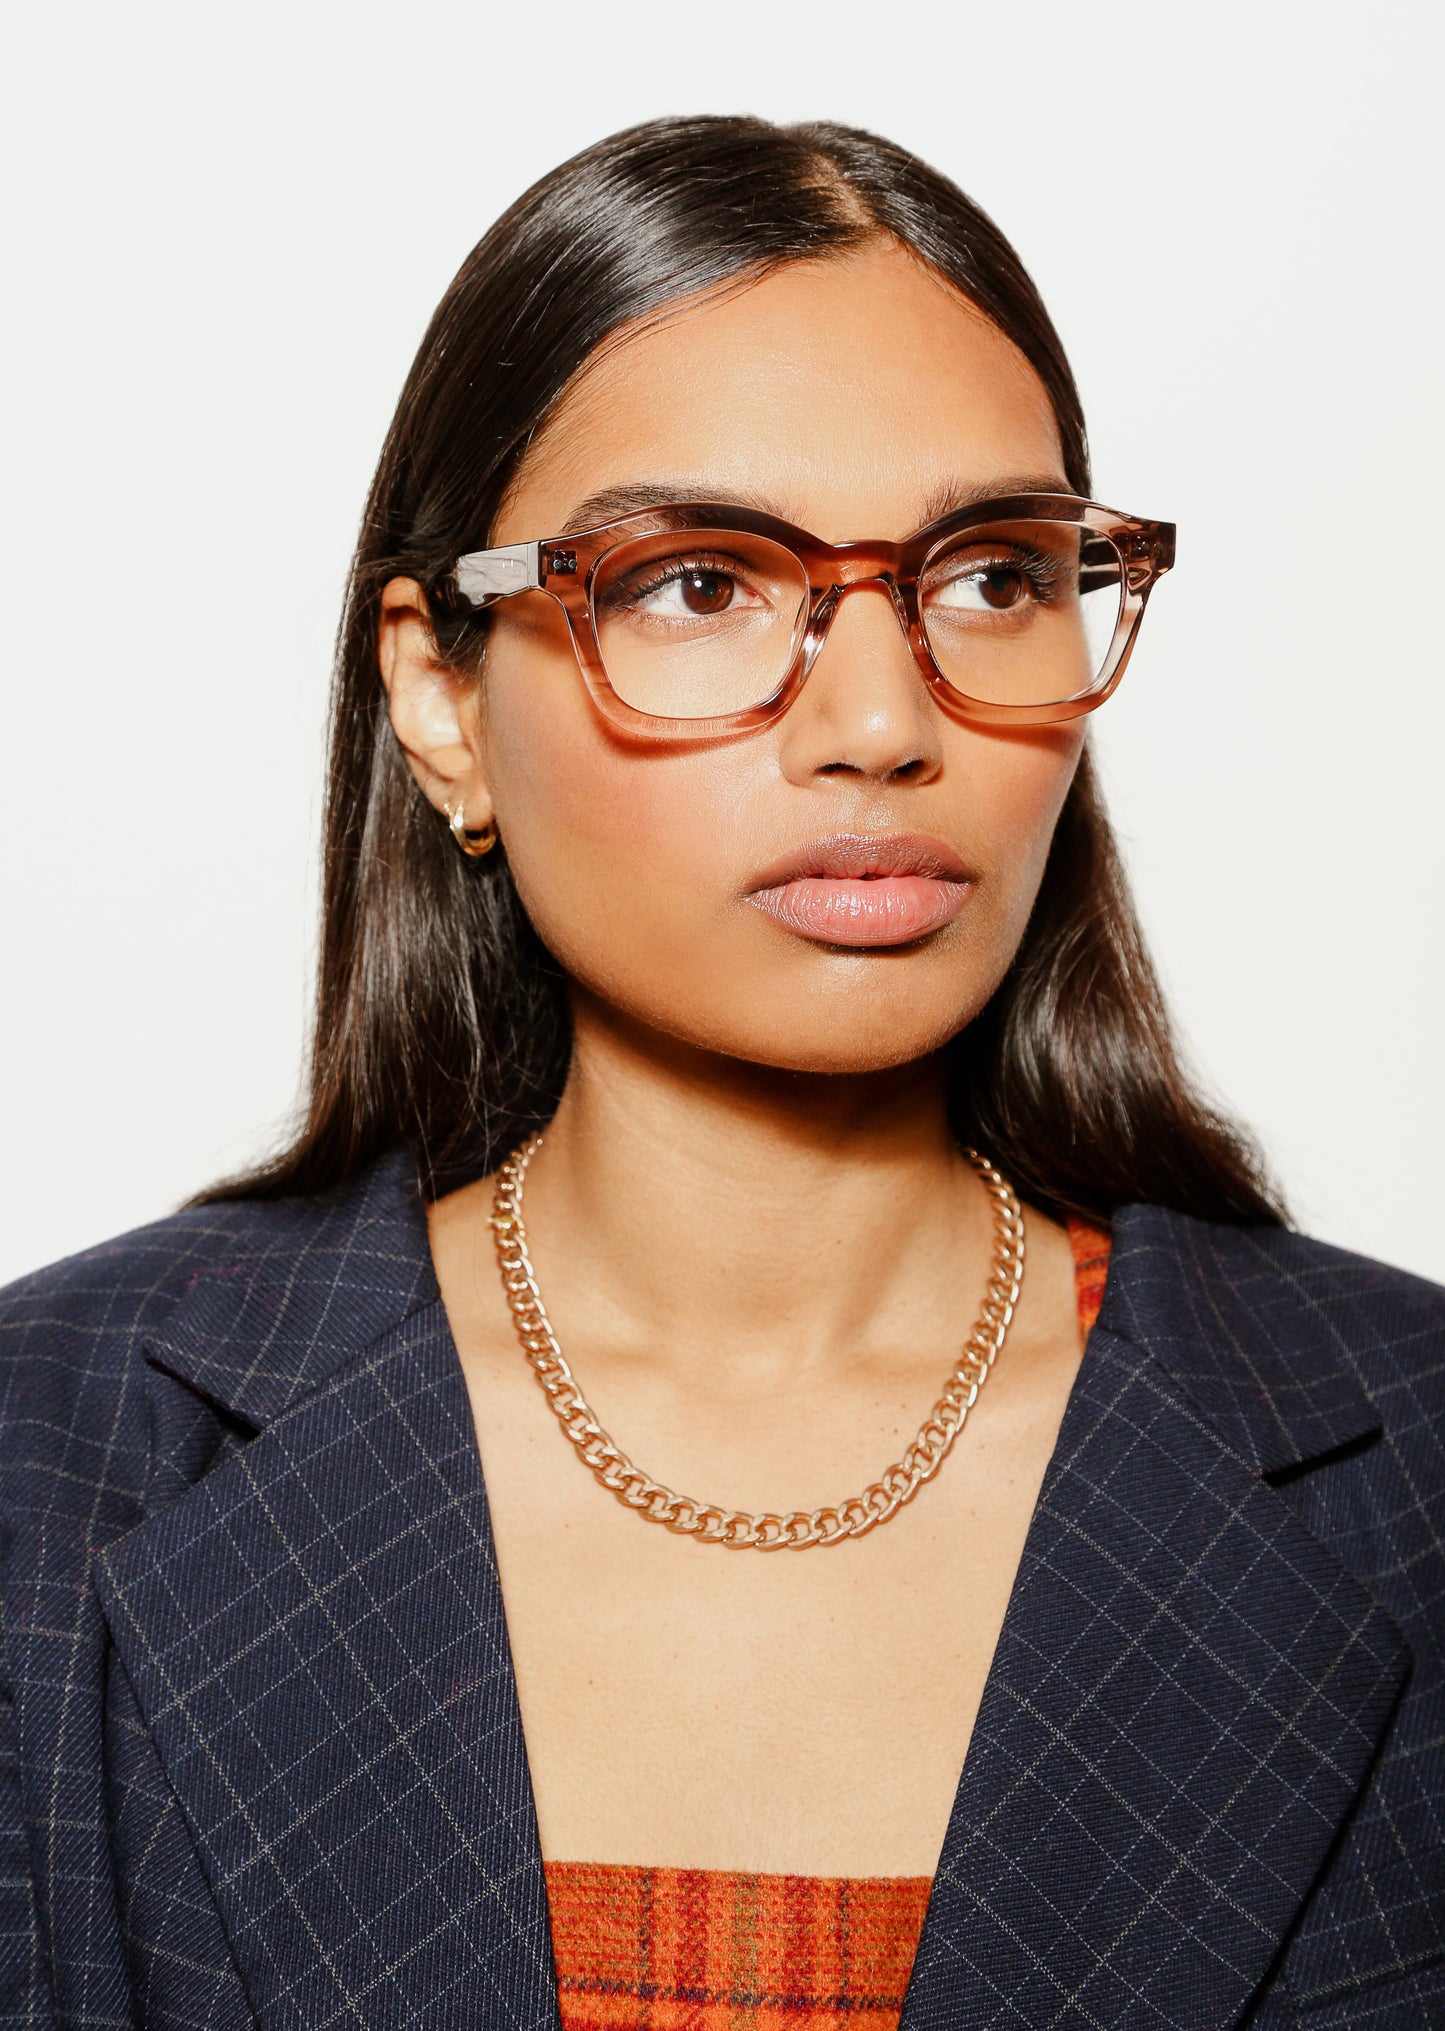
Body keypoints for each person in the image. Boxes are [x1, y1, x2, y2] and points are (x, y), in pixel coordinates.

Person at [2, 114, 1441, 2031]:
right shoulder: (47, 1458)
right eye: (697, 582)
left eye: (993, 576)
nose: (881, 719)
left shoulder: (1407, 1456)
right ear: (439, 695)